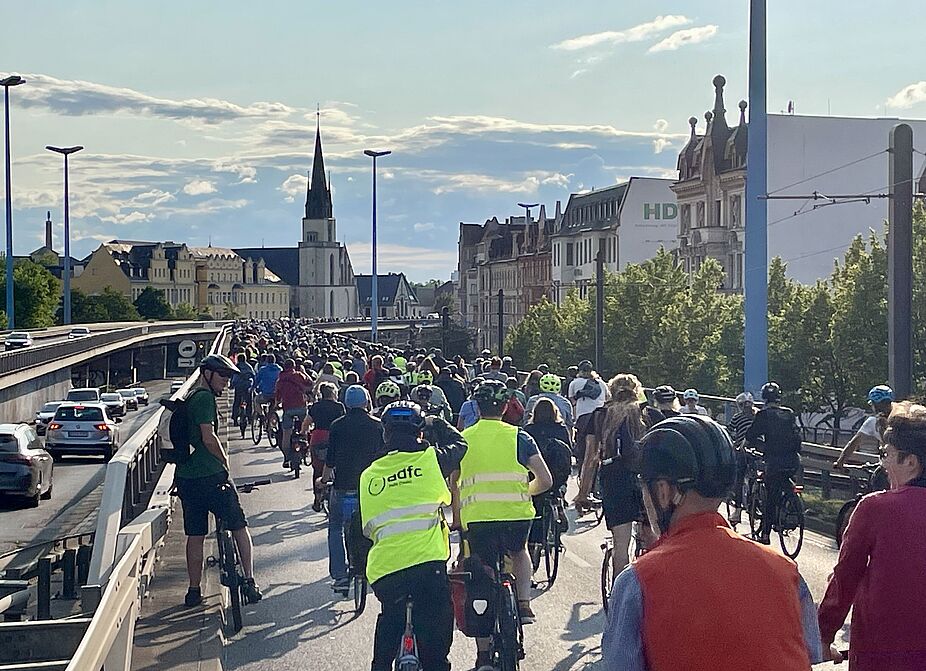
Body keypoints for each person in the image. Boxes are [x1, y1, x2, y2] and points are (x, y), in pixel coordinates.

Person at [603, 414, 822, 670]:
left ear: (664, 491)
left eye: (644, 486)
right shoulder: (785, 570)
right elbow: (811, 653)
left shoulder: (638, 579)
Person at [449, 379, 553, 669]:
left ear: (476, 407)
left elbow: (454, 485)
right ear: (506, 406)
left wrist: (458, 518)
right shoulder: (520, 437)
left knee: (479, 576)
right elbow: (545, 480)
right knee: (519, 552)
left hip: (478, 520)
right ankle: (523, 602)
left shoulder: (463, 440)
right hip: (516, 515)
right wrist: (524, 492)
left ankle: (483, 654)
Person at [817, 402, 926, 670]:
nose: (884, 464)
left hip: (883, 651)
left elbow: (846, 576)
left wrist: (822, 636)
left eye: (887, 454)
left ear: (910, 462)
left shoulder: (874, 508)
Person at [360, 401, 466, 671]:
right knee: (436, 637)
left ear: (385, 434)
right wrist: (437, 422)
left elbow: (358, 529)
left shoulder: (369, 475)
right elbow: (460, 444)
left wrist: (359, 566)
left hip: (386, 573)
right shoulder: (431, 459)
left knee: (390, 619)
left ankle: (380, 665)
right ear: (421, 433)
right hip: (428, 568)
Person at [175, 354, 262, 607]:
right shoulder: (203, 398)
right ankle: (249, 580)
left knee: (195, 535)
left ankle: (194, 591)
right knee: (239, 526)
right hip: (211, 476)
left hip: (186, 478)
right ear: (208, 374)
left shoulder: (189, 397)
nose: (226, 381)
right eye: (223, 376)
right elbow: (208, 437)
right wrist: (224, 461)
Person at [322, 385, 384, 592]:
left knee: (335, 528)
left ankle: (340, 576)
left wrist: (322, 481)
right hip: (370, 489)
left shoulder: (337, 426)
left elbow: (330, 459)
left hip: (342, 486)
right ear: (367, 401)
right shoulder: (377, 426)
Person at [589, 374, 649, 574]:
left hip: (615, 479)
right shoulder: (649, 414)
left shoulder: (601, 414)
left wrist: (582, 494)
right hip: (647, 481)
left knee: (620, 547)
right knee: (652, 541)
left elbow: (591, 458)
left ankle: (620, 598)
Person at [745, 382, 802, 544]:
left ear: (764, 398)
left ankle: (765, 534)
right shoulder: (789, 413)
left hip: (775, 462)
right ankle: (790, 505)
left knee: (771, 496)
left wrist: (751, 445)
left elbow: (751, 434)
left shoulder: (764, 415)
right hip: (793, 461)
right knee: (786, 483)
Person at [524, 398, 573, 541]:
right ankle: (560, 502)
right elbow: (568, 451)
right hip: (557, 475)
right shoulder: (561, 429)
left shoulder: (529, 430)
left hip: (535, 475)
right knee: (560, 487)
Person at [569, 360, 610, 507]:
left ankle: (583, 489)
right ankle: (593, 489)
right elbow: (607, 400)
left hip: (583, 419)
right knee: (597, 454)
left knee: (583, 455)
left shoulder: (574, 383)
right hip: (600, 419)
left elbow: (573, 401)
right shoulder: (601, 383)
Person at [303, 383, 345, 511]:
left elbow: (307, 422)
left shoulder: (315, 407)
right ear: (333, 393)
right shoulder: (339, 406)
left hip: (318, 437)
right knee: (337, 465)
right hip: (336, 436)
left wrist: (303, 433)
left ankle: (317, 497)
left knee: (317, 469)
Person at [833, 384, 896, 470]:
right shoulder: (901, 417)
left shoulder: (872, 422)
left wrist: (840, 462)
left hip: (893, 467)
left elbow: (853, 443)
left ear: (874, 405)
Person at [274, 359, 311, 469]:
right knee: (305, 426)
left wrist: (277, 405)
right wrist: (303, 372)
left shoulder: (280, 379)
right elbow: (310, 383)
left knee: (286, 434)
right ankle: (306, 445)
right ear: (294, 366)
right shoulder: (298, 375)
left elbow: (278, 396)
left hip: (288, 409)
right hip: (301, 407)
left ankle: (286, 458)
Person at [726, 391, 757, 525]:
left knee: (739, 479)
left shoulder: (737, 417)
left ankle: (737, 510)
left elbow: (729, 430)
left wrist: (733, 442)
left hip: (742, 450)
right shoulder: (758, 416)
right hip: (759, 450)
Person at [230, 352, 255, 426]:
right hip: (247, 386)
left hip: (238, 386)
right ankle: (250, 418)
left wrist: (232, 385)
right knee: (249, 402)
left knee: (236, 402)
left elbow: (233, 377)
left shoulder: (236, 367)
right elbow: (253, 375)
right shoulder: (249, 366)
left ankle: (235, 419)